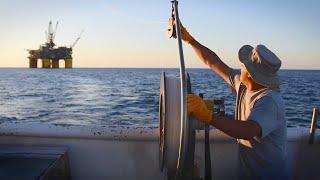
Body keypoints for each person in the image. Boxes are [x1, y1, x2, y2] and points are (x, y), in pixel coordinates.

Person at [180, 25, 288, 179]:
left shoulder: (270, 100)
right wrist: (190, 40)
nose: (240, 67)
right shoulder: (243, 85)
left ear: (251, 75)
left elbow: (247, 130)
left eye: (244, 65)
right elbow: (214, 62)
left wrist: (208, 116)